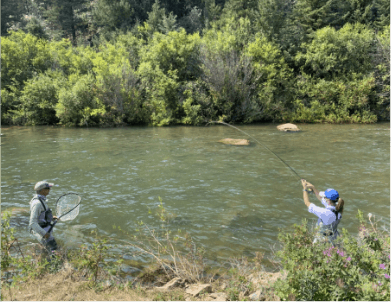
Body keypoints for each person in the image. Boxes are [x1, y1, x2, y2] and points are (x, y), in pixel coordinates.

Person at [301, 179, 344, 245]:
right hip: (334, 238)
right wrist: (313, 188)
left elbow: (307, 203)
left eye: (325, 197)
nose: (323, 198)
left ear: (328, 200)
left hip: (323, 241)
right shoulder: (338, 208)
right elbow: (320, 198)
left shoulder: (324, 213)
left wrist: (304, 189)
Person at [28, 181, 59, 253]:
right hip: (42, 232)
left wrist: (51, 218)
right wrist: (44, 234)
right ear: (42, 190)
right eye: (48, 188)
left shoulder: (41, 200)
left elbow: (41, 215)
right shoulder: (37, 204)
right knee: (52, 251)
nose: (49, 189)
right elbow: (32, 223)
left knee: (54, 248)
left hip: (44, 230)